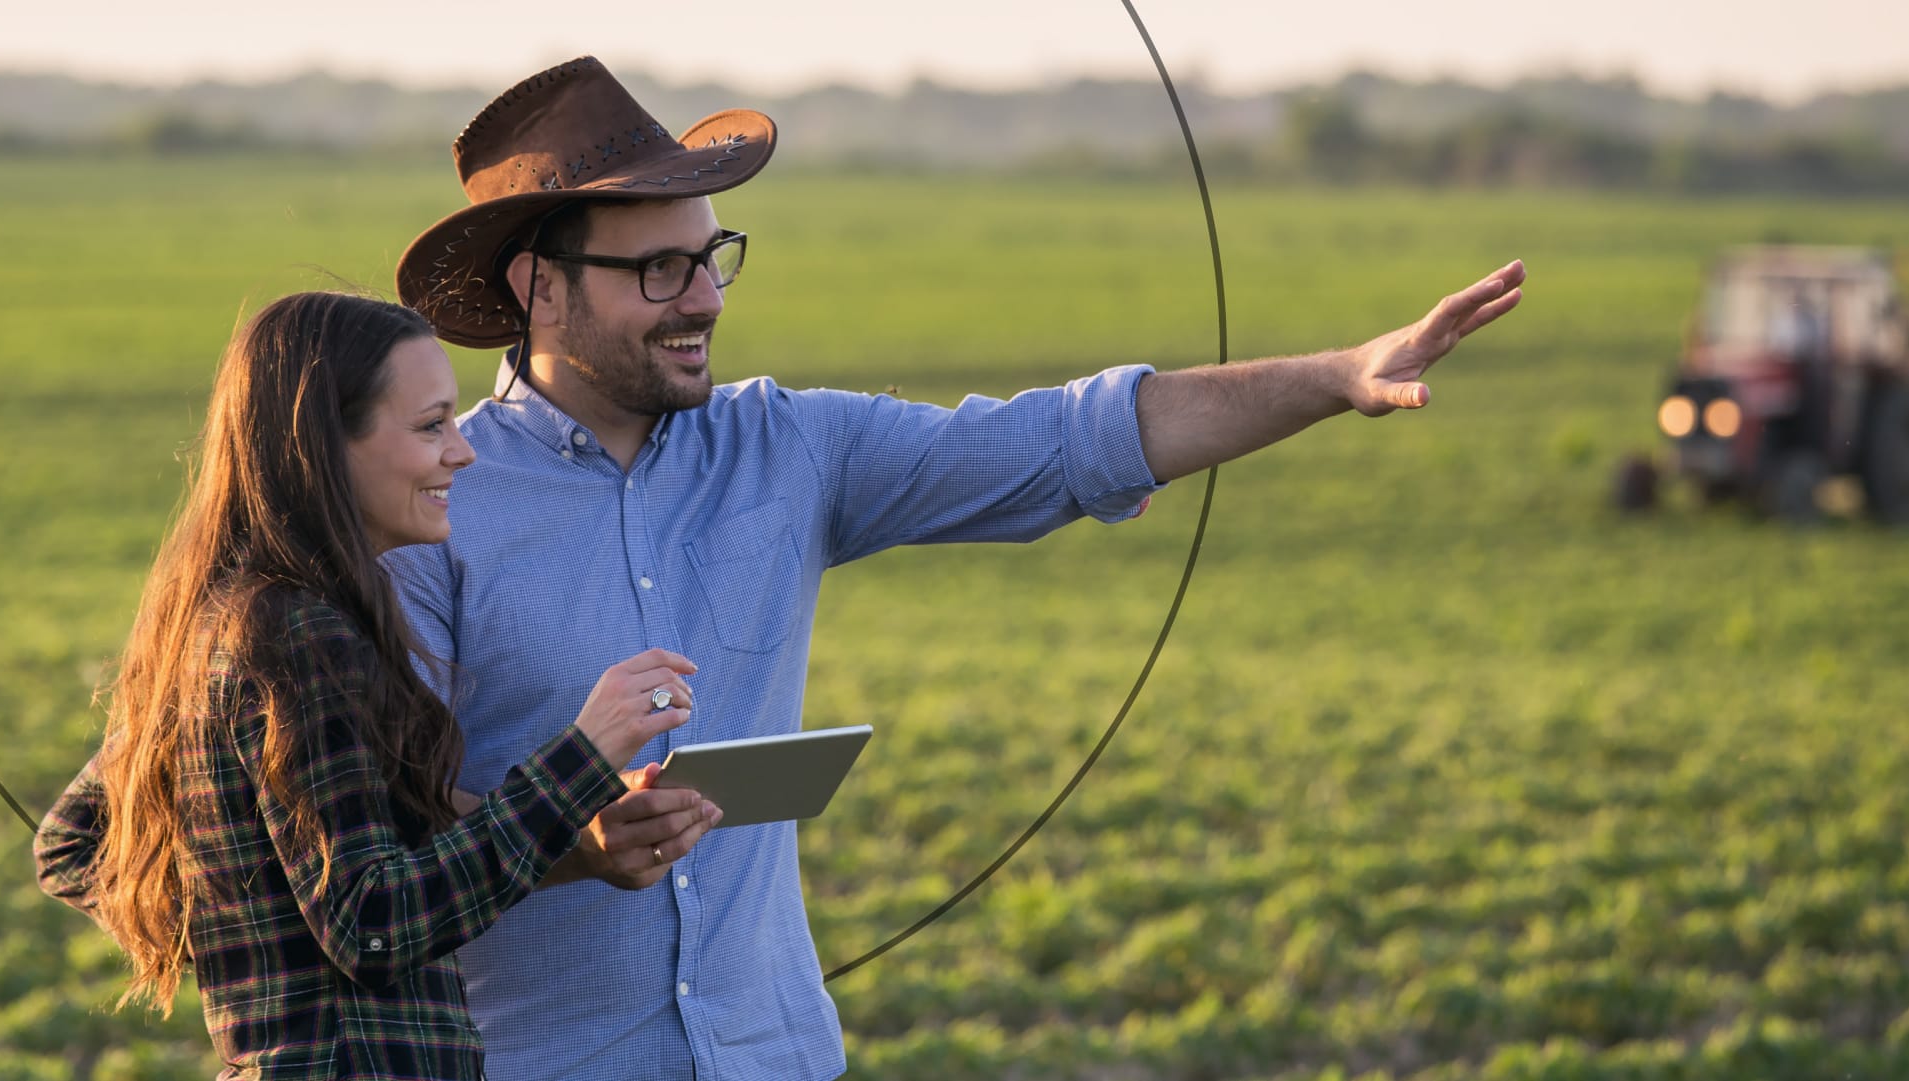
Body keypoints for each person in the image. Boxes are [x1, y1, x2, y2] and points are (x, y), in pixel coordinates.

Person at [388, 57, 1527, 1081]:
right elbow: (396, 829)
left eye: (715, 257)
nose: (707, 298)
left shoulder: (790, 444)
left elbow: (1063, 441)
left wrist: (1334, 376)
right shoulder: (431, 500)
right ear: (541, 287)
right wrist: (569, 846)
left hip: (775, 1055)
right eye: (663, 269)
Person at [33, 291, 709, 1080]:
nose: (462, 452)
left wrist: (262, 928)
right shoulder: (298, 635)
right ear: (323, 447)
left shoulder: (226, 615)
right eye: (430, 426)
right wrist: (582, 755)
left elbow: (75, 842)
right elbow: (374, 925)